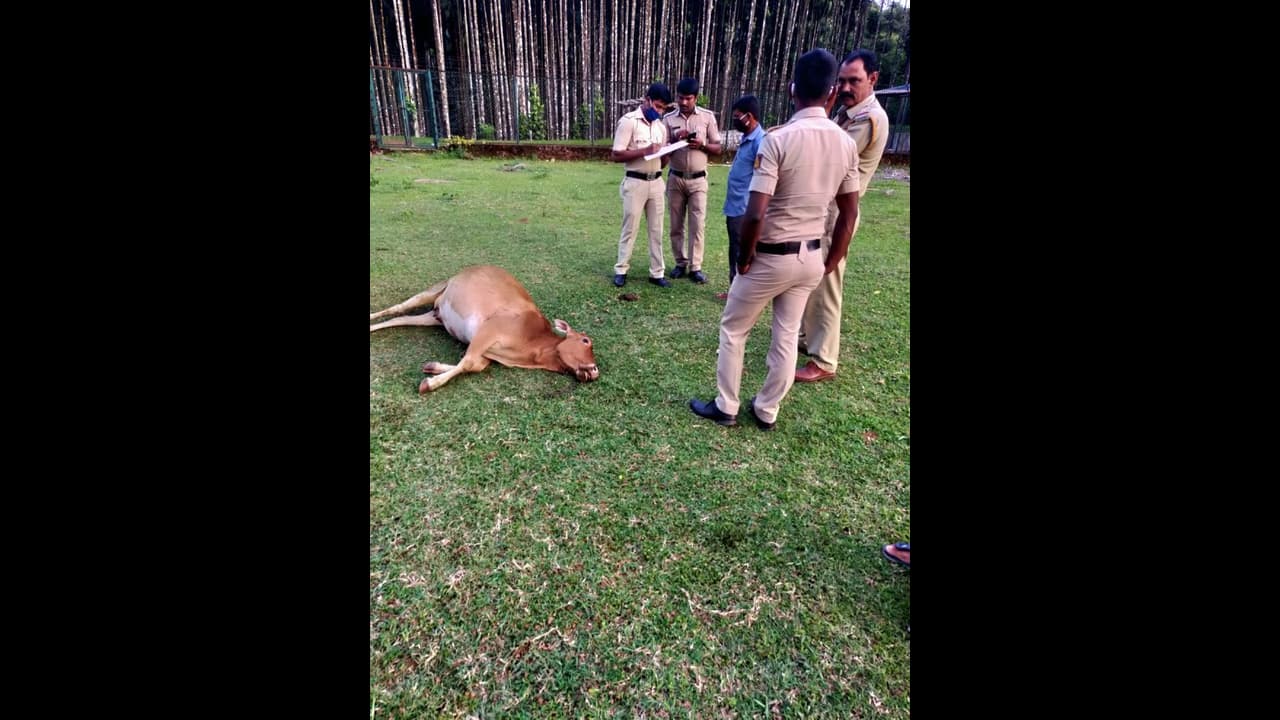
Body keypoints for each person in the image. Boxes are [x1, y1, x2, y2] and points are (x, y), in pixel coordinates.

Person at [689, 49, 860, 431]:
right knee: (785, 333)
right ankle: (767, 410)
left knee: (734, 328)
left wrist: (745, 257)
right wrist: (831, 260)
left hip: (770, 255)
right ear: (832, 92)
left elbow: (755, 212)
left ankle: (727, 405)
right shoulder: (845, 142)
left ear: (791, 89)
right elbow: (849, 212)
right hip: (810, 257)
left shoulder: (779, 139)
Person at [795, 49, 891, 383]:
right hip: (824, 208)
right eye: (842, 81)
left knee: (828, 282)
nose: (846, 87)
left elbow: (831, 154)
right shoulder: (849, 114)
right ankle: (808, 339)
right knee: (812, 277)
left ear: (873, 79)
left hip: (839, 212)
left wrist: (821, 112)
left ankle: (824, 360)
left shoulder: (868, 119)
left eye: (855, 81)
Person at [611, 83, 674, 288]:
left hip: (656, 182)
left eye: (663, 108)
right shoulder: (629, 122)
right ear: (646, 100)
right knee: (630, 227)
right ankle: (621, 269)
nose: (659, 111)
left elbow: (662, 161)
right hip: (635, 181)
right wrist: (644, 151)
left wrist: (669, 151)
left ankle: (657, 273)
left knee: (657, 230)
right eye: (656, 106)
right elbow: (616, 154)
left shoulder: (660, 127)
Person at [663, 77, 722, 285]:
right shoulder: (668, 119)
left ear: (696, 97)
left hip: (698, 180)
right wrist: (675, 140)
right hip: (675, 178)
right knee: (676, 224)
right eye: (680, 98)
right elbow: (662, 149)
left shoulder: (706, 117)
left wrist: (702, 144)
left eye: (688, 98)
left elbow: (718, 148)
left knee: (697, 225)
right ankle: (680, 263)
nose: (684, 102)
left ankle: (695, 267)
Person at [718, 95, 766, 301]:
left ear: (750, 117)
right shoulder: (747, 139)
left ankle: (742, 295)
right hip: (735, 206)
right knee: (735, 249)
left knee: (743, 251)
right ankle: (734, 291)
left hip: (745, 209)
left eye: (738, 117)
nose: (735, 120)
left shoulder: (760, 142)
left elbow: (762, 178)